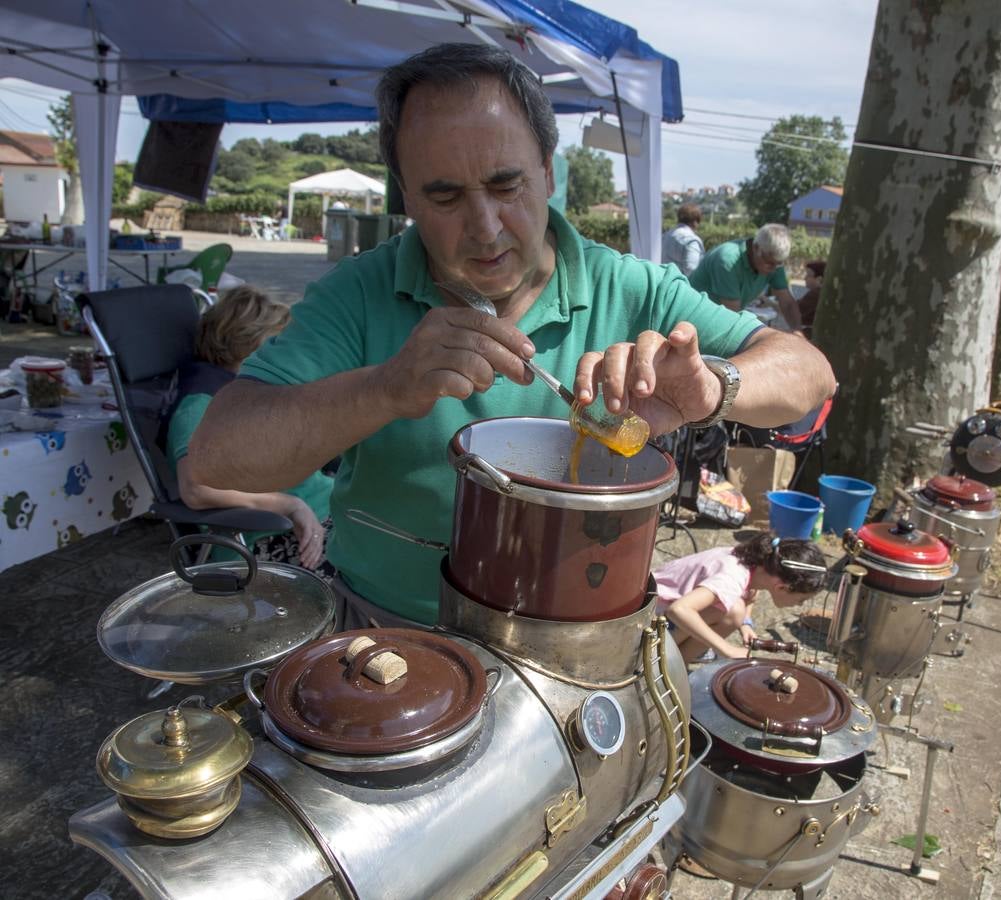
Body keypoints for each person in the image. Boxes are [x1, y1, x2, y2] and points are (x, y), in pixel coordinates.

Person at [188, 43, 835, 629]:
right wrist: (383, 389)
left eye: (506, 184)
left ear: (549, 174)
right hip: (389, 625)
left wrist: (713, 384)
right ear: (406, 197)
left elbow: (809, 373)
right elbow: (215, 458)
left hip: (577, 625)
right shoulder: (358, 294)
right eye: (444, 197)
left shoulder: (632, 288)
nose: (485, 226)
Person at [167, 286, 334, 574]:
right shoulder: (199, 405)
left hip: (328, 511)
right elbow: (195, 488)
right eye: (276, 344)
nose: (286, 354)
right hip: (274, 535)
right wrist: (288, 504)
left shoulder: (258, 394)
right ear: (245, 345)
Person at [653, 534, 826, 662]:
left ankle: (677, 660)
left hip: (657, 610)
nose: (799, 605)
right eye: (801, 600)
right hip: (647, 621)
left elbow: (750, 595)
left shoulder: (757, 564)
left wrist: (746, 624)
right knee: (734, 611)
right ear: (781, 587)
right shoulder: (732, 577)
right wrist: (726, 649)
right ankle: (665, 666)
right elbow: (679, 610)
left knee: (738, 612)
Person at [688, 223, 803, 328]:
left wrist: (798, 333)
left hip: (719, 317)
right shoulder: (728, 261)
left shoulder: (773, 262)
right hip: (693, 317)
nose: (773, 269)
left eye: (778, 264)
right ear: (756, 247)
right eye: (769, 263)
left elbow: (787, 304)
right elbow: (732, 315)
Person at [661, 203, 705, 276]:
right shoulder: (691, 241)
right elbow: (692, 272)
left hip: (664, 282)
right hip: (680, 285)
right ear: (695, 222)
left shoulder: (666, 235)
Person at [797, 260, 825, 339]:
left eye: (808, 275)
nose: (805, 278)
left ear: (819, 279)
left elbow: (793, 309)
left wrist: (770, 303)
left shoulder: (815, 294)